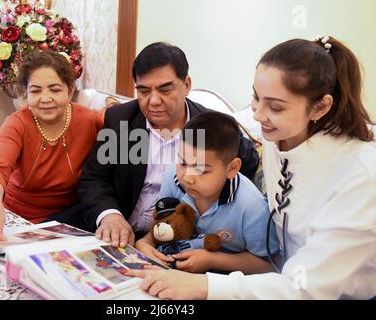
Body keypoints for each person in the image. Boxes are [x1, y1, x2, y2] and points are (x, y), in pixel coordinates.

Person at [127, 36, 376, 299]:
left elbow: (307, 287)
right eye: (256, 97)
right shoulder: (278, 136)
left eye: (275, 107)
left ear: (321, 107)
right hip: (274, 283)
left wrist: (204, 285)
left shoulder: (360, 176)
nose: (257, 115)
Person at [68, 42, 260, 248]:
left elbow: (246, 163)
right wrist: (110, 216)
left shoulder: (211, 127)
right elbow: (94, 179)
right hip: (120, 234)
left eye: (165, 89)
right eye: (143, 91)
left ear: (186, 85)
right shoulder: (121, 120)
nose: (153, 101)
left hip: (179, 241)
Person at [0, 50, 103, 247]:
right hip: (19, 221)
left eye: (55, 89)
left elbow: (125, 119)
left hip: (69, 220)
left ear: (70, 88)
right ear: (25, 93)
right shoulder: (17, 124)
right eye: (36, 91)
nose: (45, 98)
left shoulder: (89, 120)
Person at [135, 111, 279, 273]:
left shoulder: (252, 206)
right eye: (182, 163)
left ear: (232, 168)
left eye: (200, 169)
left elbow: (270, 265)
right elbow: (164, 224)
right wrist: (144, 244)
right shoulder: (172, 178)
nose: (187, 178)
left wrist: (212, 260)